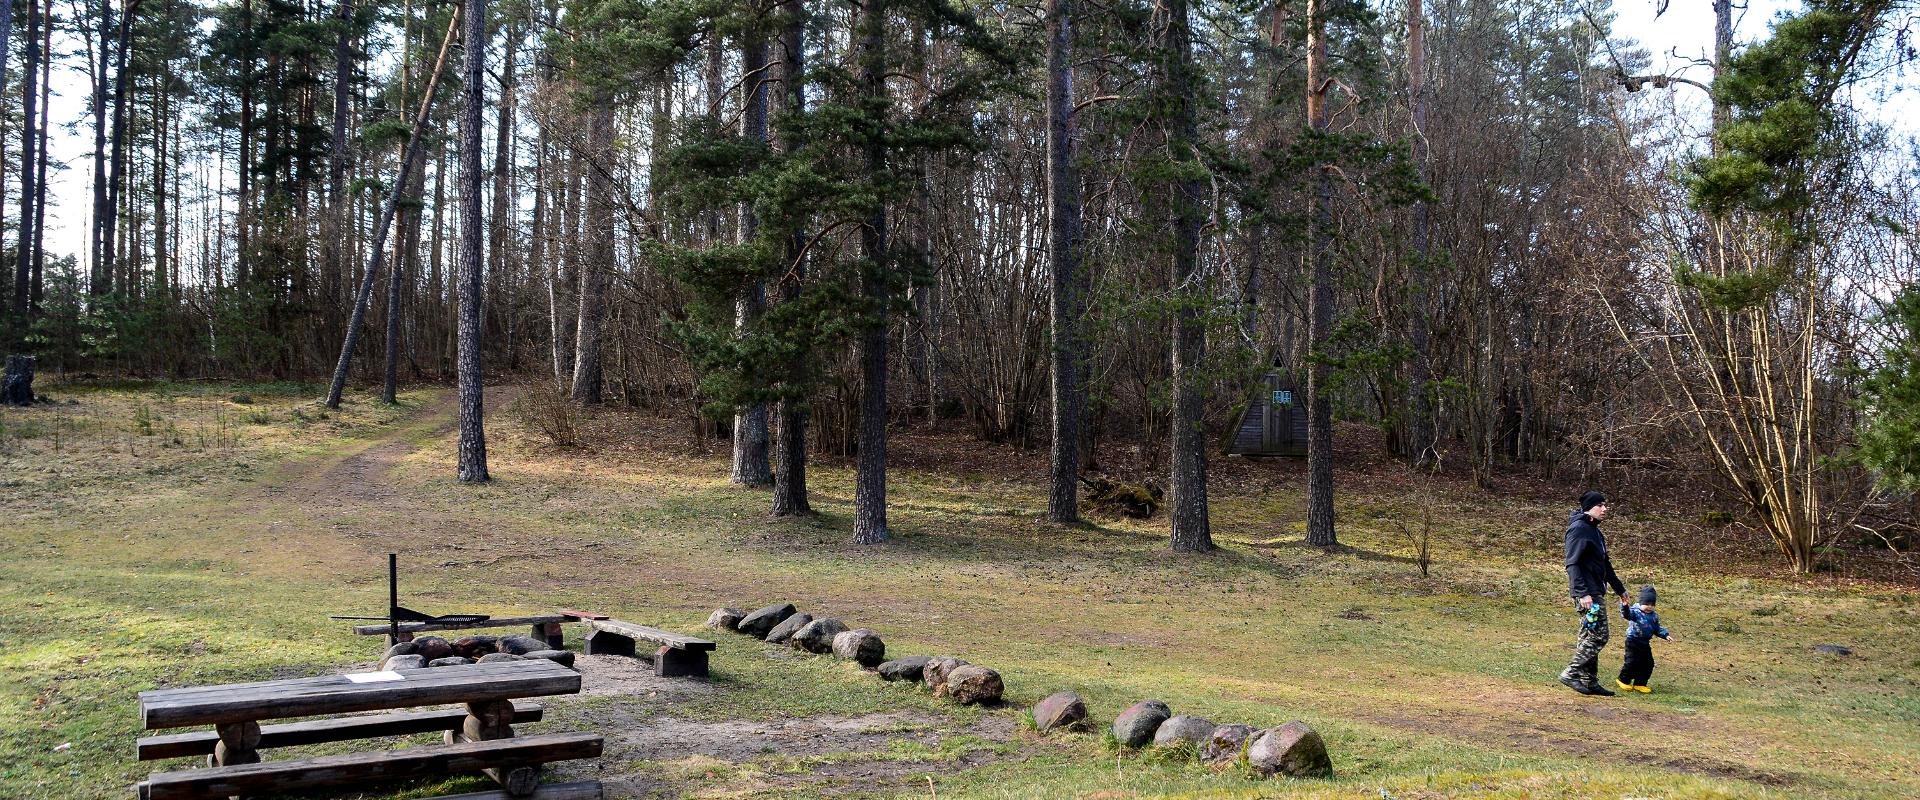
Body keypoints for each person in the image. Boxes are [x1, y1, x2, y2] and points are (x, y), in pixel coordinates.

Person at [1558, 490, 1627, 696]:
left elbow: (1605, 563)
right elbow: (1572, 563)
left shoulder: (1595, 531)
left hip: (1596, 591)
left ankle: (1589, 682)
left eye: (1605, 505)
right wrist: (1582, 593)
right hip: (1588, 595)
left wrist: (1619, 588)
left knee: (1588, 636)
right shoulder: (1578, 529)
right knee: (1599, 636)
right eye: (1600, 505)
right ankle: (1570, 673)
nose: (1605, 509)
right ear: (1589, 507)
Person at [1617, 585, 1673, 693]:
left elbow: (1657, 628)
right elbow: (1626, 615)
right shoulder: (1635, 612)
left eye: (1652, 605)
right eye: (1647, 604)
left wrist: (1665, 635)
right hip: (1633, 641)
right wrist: (1624, 606)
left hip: (1645, 643)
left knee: (1648, 664)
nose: (1649, 607)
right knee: (1632, 661)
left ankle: (1640, 683)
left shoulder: (1654, 616)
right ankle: (1623, 679)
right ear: (1641, 602)